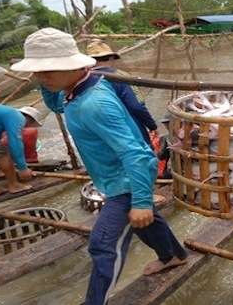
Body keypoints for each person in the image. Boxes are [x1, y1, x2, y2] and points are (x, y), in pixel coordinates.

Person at [11, 28, 188, 305]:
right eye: (37, 70)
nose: (42, 76)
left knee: (103, 245)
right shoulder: (75, 91)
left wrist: (141, 199)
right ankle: (173, 256)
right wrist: (46, 83)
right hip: (115, 174)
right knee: (143, 222)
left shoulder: (95, 104)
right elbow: (58, 105)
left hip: (126, 179)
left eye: (50, 69)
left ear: (77, 65)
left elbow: (136, 155)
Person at [87, 40, 159, 146]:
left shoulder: (84, 79)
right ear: (111, 58)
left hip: (98, 136)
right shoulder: (121, 76)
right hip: (129, 132)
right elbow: (137, 107)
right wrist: (152, 126)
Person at [153, 113, 172, 180]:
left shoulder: (166, 138)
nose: (165, 126)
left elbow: (161, 156)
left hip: (172, 170)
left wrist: (155, 152)